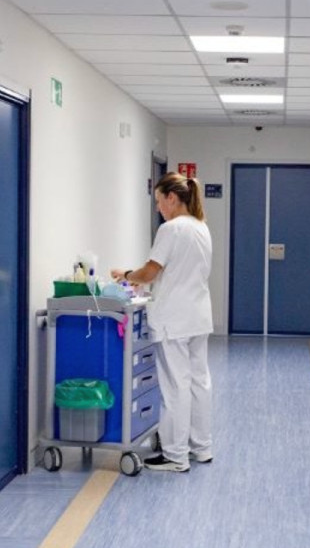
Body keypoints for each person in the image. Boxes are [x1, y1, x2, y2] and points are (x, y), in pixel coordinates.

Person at [110, 172, 213, 472]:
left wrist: (126, 275)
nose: (158, 208)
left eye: (159, 201)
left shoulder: (171, 229)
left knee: (175, 387)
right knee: (199, 383)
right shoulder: (201, 227)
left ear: (172, 197)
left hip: (174, 320)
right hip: (198, 317)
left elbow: (150, 271)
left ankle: (175, 456)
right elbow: (179, 271)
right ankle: (201, 447)